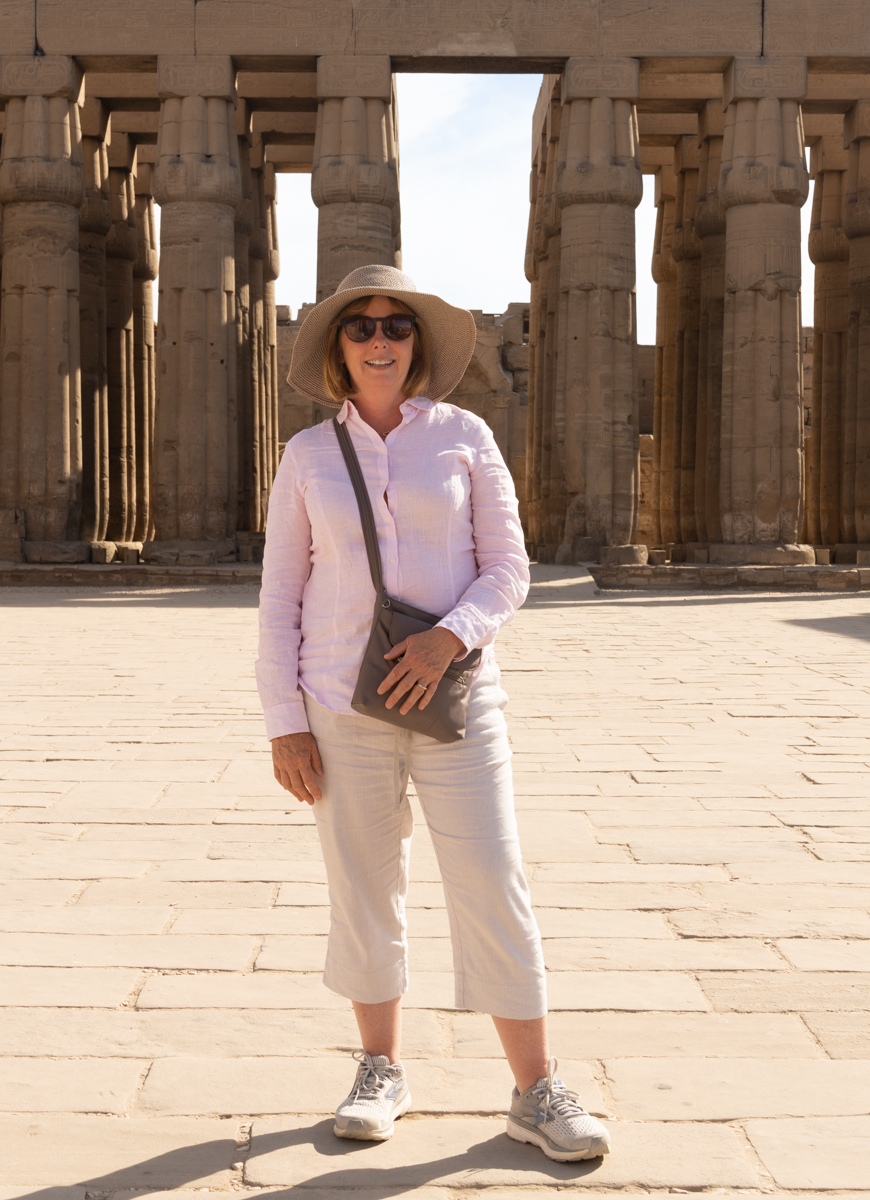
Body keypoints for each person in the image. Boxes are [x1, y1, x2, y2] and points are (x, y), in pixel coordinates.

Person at [255, 264, 608, 1160]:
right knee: (365, 888)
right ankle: (381, 1067)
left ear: (418, 345)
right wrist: (283, 722)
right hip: (340, 701)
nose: (380, 341)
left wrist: (449, 637)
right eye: (361, 327)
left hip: (457, 698)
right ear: (338, 346)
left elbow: (508, 568)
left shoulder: (464, 435)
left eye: (396, 327)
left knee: (492, 879)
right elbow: (281, 596)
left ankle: (535, 1086)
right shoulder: (307, 455)